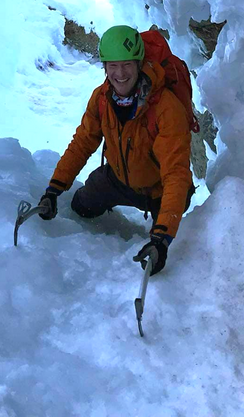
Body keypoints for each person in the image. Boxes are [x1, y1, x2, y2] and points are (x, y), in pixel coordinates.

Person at [39, 24, 193, 275]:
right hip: (119, 179)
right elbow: (83, 143)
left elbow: (176, 173)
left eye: (127, 65)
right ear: (105, 68)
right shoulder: (102, 99)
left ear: (139, 64)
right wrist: (54, 189)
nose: (120, 74)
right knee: (81, 206)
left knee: (170, 244)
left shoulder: (166, 108)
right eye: (112, 65)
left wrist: (161, 239)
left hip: (161, 189)